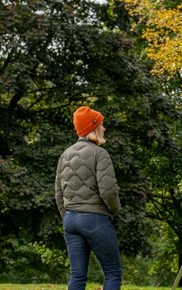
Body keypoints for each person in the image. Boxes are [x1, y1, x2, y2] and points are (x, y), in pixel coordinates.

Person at [55, 106, 122, 290]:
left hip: (70, 220)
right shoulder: (100, 154)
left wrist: (67, 216)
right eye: (101, 124)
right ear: (92, 127)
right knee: (113, 273)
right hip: (95, 219)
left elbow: (58, 193)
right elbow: (108, 191)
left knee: (77, 276)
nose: (104, 128)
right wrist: (115, 210)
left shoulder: (65, 155)